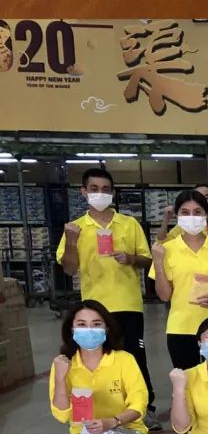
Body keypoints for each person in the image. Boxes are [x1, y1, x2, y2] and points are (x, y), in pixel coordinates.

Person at [57, 168, 155, 417]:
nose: (100, 193)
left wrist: (131, 258)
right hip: (94, 309)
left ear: (112, 192)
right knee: (97, 359)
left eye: (105, 189)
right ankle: (104, 407)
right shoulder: (75, 228)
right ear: (83, 192)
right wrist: (71, 241)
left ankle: (145, 408)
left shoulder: (129, 224)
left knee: (135, 357)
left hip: (129, 304)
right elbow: (69, 269)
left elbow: (147, 259)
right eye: (94, 189)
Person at [49, 300, 148, 434]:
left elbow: (139, 404)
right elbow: (61, 414)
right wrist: (60, 378)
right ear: (71, 329)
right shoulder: (64, 365)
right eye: (82, 324)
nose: (89, 330)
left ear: (107, 329)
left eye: (96, 324)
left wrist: (112, 422)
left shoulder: (123, 360)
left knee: (92, 432)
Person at [152, 190, 208, 372]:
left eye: (197, 212)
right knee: (186, 380)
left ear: (207, 215)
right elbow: (164, 296)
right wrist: (158, 263)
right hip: (180, 328)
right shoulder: (167, 250)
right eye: (185, 212)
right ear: (177, 216)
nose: (191, 217)